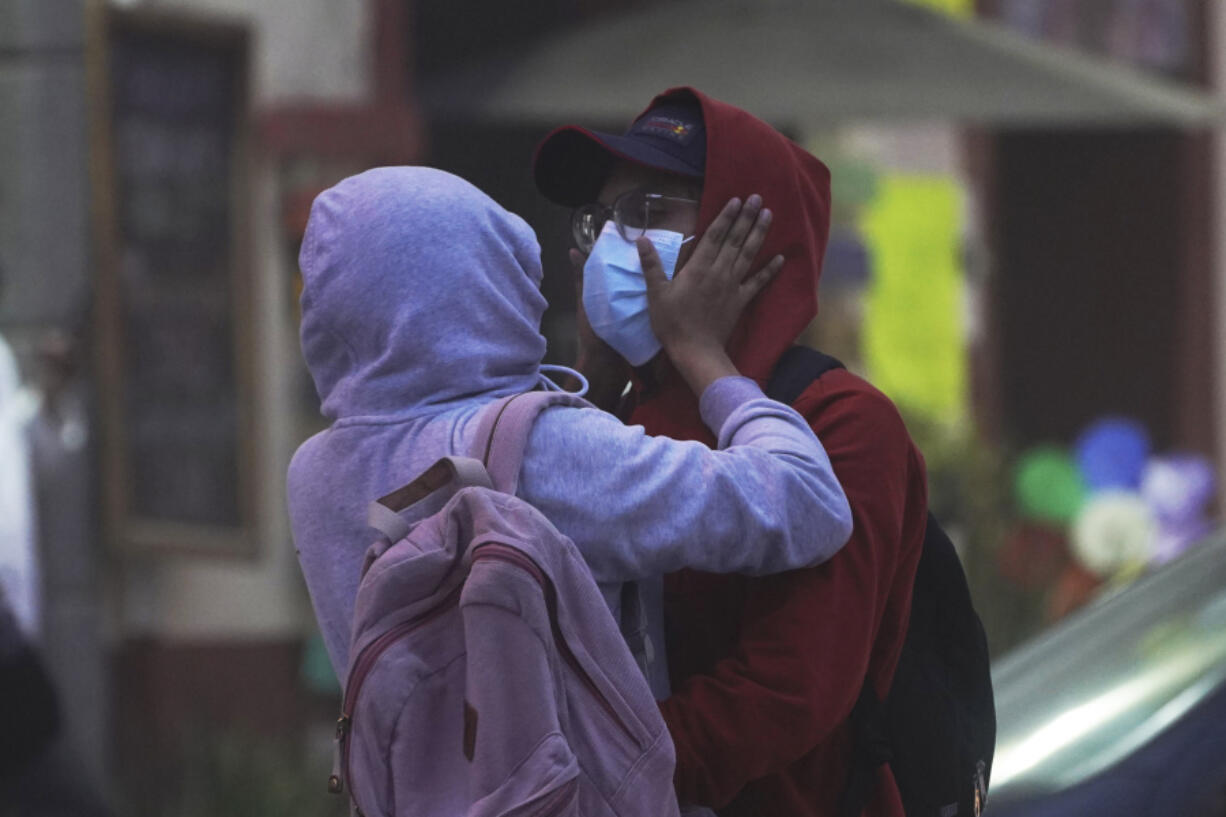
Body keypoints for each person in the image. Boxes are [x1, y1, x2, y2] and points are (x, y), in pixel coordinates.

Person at [286, 166, 854, 704]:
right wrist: (703, 352)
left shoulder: (312, 473)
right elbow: (806, 502)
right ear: (495, 279)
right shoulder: (548, 451)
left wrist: (594, 378)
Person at [533, 88, 928, 817]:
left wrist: (601, 784)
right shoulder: (626, 414)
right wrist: (598, 383)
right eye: (602, 222)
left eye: (649, 212)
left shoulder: (843, 421)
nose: (613, 245)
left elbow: (790, 687)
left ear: (747, 237)